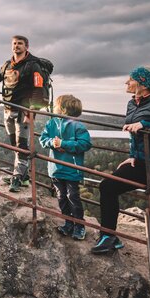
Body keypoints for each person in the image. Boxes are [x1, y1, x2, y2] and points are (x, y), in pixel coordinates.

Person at [91, 67, 150, 278]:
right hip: (142, 163)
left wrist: (146, 124)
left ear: (143, 85)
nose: (126, 82)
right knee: (107, 186)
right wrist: (133, 154)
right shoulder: (131, 102)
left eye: (131, 80)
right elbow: (133, 133)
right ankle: (109, 236)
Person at [0, 35, 46, 193]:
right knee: (14, 145)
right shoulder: (7, 65)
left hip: (23, 112)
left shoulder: (33, 66)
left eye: (20, 44)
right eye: (14, 43)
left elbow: (38, 89)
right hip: (7, 111)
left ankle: (17, 177)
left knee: (22, 146)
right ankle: (23, 177)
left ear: (26, 46)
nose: (16, 46)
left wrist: (31, 113)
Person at [40, 94, 92, 240]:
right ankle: (68, 223)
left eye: (56, 105)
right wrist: (53, 142)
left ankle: (79, 226)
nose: (53, 108)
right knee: (61, 197)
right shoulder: (51, 124)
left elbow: (85, 144)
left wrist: (64, 144)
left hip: (72, 169)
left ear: (62, 109)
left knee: (73, 197)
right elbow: (43, 139)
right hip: (56, 169)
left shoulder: (78, 126)